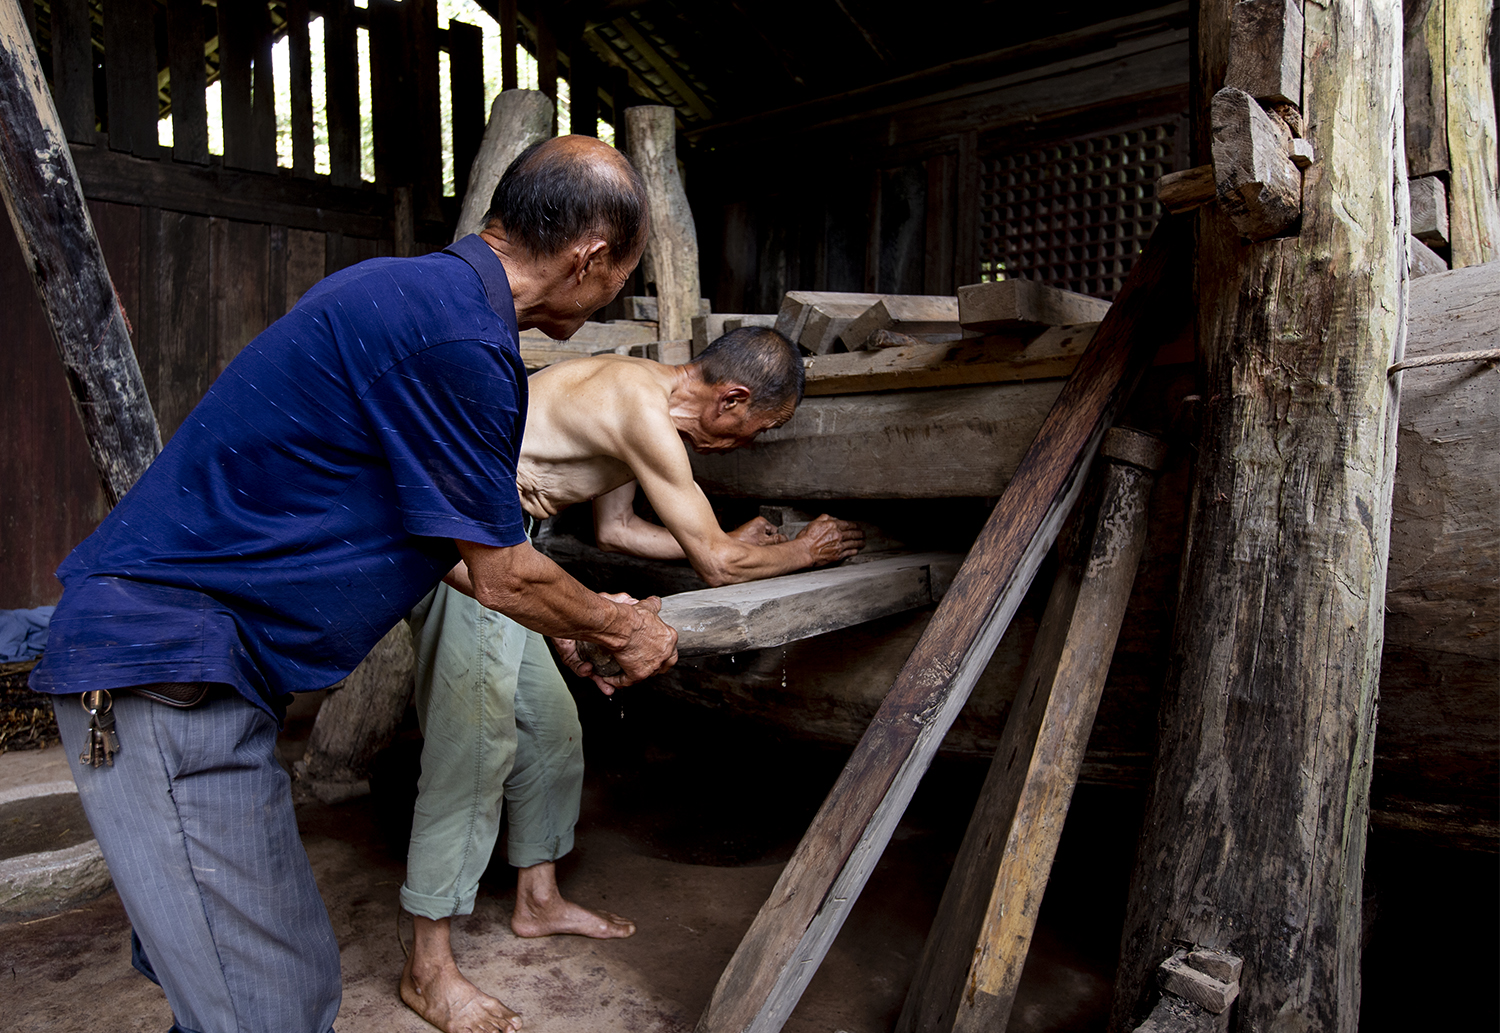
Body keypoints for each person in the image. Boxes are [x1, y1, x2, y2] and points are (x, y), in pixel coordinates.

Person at [27, 135, 676, 1033]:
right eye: (625, 277)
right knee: (267, 1007)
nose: (618, 293)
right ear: (591, 258)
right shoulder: (460, 339)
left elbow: (438, 529)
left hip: (192, 672)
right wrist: (620, 625)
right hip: (162, 670)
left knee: (254, 990)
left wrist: (558, 621)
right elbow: (502, 569)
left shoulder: (415, 299)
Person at [399, 328, 865, 1033]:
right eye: (754, 430)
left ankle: (538, 900)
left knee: (552, 727)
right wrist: (804, 551)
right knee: (474, 744)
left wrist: (731, 542)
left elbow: (618, 530)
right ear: (731, 398)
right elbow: (714, 566)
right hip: (460, 544)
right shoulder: (639, 405)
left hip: (512, 547)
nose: (745, 445)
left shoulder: (645, 401)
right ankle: (426, 970)